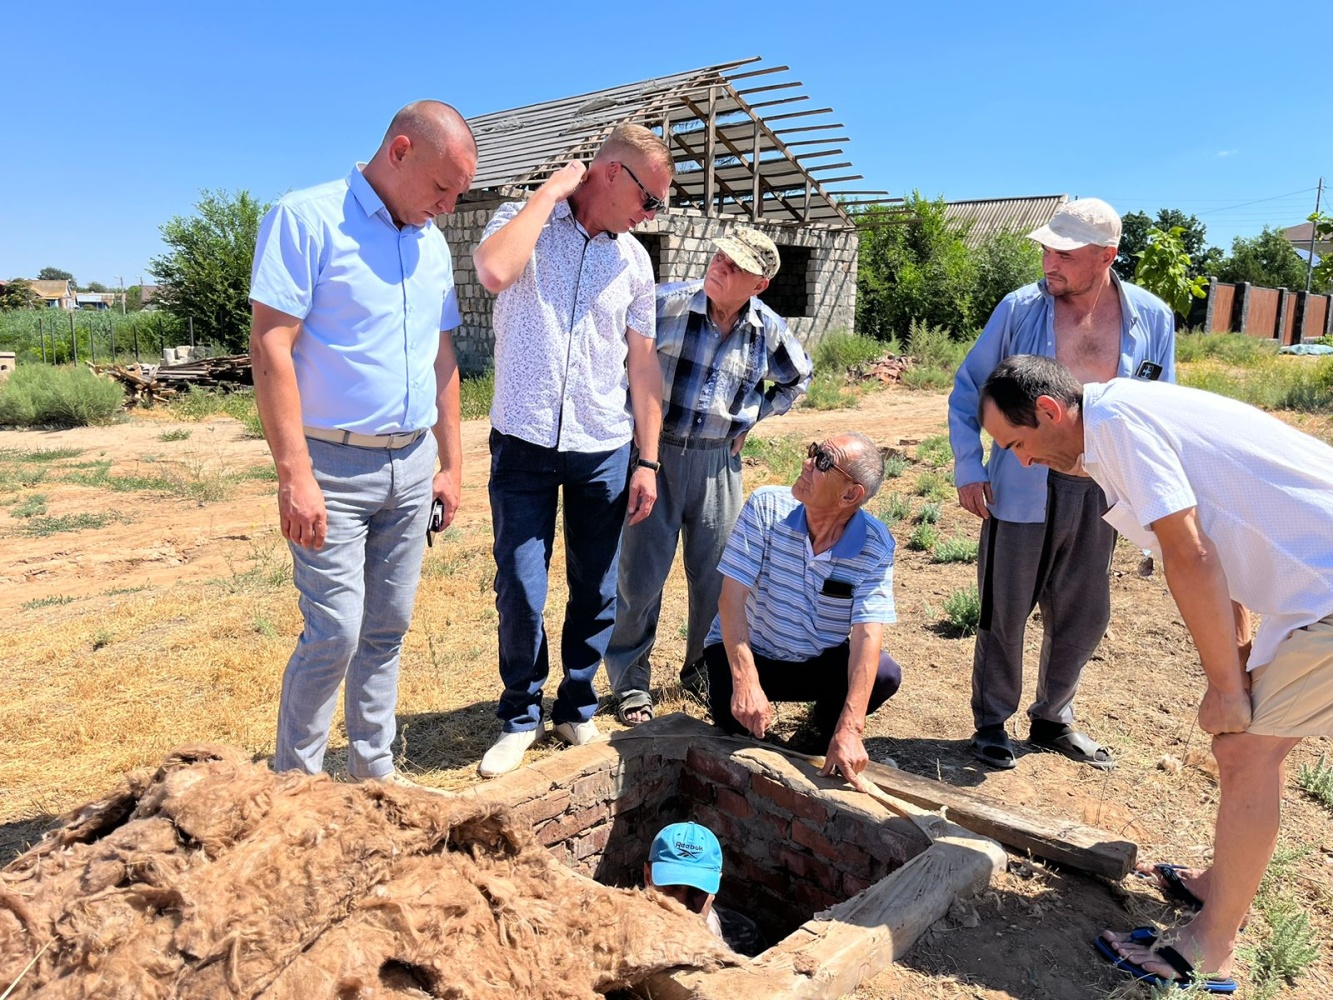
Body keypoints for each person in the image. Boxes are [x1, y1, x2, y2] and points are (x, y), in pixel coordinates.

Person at [978, 354, 1333, 992]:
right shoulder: (1118, 423)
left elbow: (1190, 554)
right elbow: (1214, 535)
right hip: (1307, 585)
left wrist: (1227, 685)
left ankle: (1212, 946)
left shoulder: (1118, 424)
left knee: (1248, 753)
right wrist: (1241, 650)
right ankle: (1219, 888)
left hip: (1325, 588)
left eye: (1019, 443)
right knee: (1243, 750)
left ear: (1052, 411)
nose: (1024, 462)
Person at [249, 101, 476, 786]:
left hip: (410, 466)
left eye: (458, 195)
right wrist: (295, 474)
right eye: (442, 188)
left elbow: (442, 359)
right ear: (399, 150)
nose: (446, 205)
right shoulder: (306, 219)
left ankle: (372, 772)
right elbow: (270, 346)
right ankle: (295, 785)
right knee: (335, 633)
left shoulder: (431, 242)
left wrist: (451, 463)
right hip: (331, 466)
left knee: (386, 629)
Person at [947, 198, 1176, 771]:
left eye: (1064, 253)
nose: (1049, 261)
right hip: (1022, 479)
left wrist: (1152, 489)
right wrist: (969, 465)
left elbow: (1162, 409)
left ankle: (1053, 718)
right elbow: (969, 387)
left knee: (1083, 611)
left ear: (1107, 256)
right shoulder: (1019, 309)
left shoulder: (1152, 317)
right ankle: (992, 721)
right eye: (1046, 249)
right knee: (1005, 607)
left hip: (1102, 486)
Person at [473, 124, 669, 777]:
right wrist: (552, 191)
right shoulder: (522, 221)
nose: (651, 215)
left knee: (594, 586)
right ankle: (519, 714)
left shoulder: (634, 261)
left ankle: (574, 705)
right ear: (612, 173)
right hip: (523, 436)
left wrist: (647, 458)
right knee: (522, 586)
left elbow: (642, 368)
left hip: (602, 444)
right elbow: (495, 271)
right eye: (650, 199)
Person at [605, 229, 813, 725]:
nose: (720, 266)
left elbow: (799, 378)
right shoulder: (665, 305)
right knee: (640, 576)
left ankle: (700, 669)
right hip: (655, 457)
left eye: (736, 266)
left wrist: (753, 416)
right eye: (720, 256)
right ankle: (631, 681)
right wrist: (628, 425)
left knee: (718, 576)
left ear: (759, 285)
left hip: (719, 463)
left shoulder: (766, 329)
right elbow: (616, 361)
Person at [704, 433, 902, 783]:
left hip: (814, 661)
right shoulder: (766, 506)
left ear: (851, 494)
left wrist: (852, 728)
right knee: (735, 728)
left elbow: (867, 633)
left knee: (884, 674)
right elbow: (730, 600)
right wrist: (746, 680)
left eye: (823, 462)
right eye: (813, 452)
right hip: (751, 653)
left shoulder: (876, 545)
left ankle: (824, 730)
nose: (806, 463)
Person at [644, 822, 765, 956]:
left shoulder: (744, 936)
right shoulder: (620, 936)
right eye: (672, 888)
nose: (683, 905)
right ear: (648, 877)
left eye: (698, 890)